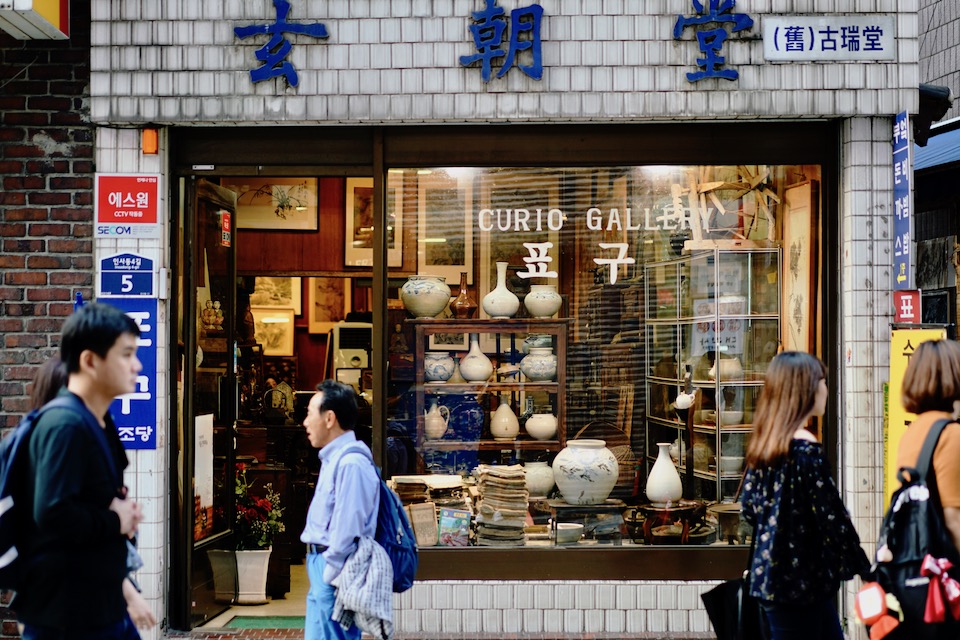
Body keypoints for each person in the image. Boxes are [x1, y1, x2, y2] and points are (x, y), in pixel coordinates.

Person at [13, 303, 147, 640]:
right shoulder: (65, 425)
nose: (137, 365)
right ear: (89, 361)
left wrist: (120, 511)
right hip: (68, 617)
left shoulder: (97, 420)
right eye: (126, 354)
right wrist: (116, 520)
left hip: (100, 608)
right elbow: (53, 511)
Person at [740, 351, 870, 640]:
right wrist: (866, 570)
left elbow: (748, 509)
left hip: (770, 581)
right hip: (802, 586)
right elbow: (833, 519)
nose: (826, 388)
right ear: (805, 389)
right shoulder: (806, 452)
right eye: (822, 381)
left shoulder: (765, 446)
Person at [301, 380, 380, 640]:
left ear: (329, 418)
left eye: (310, 414)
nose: (305, 422)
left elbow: (350, 527)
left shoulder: (351, 463)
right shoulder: (335, 458)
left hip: (335, 571)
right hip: (324, 566)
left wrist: (330, 574)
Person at [897, 340, 960, 552]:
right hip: (944, 563)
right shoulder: (950, 435)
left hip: (919, 559)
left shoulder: (913, 431)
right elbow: (953, 520)